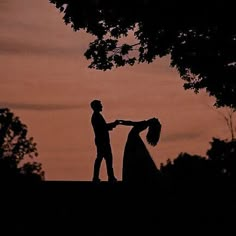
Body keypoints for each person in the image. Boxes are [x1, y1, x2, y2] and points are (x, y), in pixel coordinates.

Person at [118, 117, 161, 184]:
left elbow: (131, 123)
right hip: (133, 139)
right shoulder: (144, 124)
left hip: (133, 138)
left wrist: (122, 122)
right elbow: (131, 123)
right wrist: (122, 122)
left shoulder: (144, 123)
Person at [90, 99, 119, 183]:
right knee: (104, 158)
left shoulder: (97, 116)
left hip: (102, 141)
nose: (102, 106)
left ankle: (108, 177)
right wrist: (114, 124)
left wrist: (113, 124)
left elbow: (104, 127)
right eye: (100, 105)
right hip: (102, 141)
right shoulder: (96, 116)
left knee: (105, 159)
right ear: (96, 107)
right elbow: (103, 128)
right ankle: (107, 177)